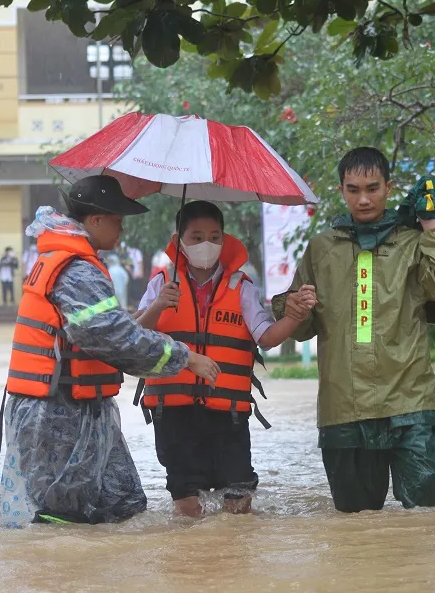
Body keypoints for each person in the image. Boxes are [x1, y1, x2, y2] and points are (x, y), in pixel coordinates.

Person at [0, 175, 220, 528]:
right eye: (118, 220)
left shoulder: (75, 262)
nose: (123, 230)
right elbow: (112, 336)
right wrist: (185, 357)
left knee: (121, 503)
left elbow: (109, 327)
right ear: (95, 220)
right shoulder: (78, 270)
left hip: (81, 406)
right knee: (64, 518)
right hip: (57, 415)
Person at [272, 147, 435, 513]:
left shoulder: (413, 242)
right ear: (341, 189)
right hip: (343, 409)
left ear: (389, 187)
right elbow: (302, 330)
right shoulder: (320, 249)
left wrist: (432, 226)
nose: (363, 199)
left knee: (428, 522)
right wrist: (295, 309)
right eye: (353, 189)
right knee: (355, 530)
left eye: (373, 188)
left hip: (410, 403)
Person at [134, 200, 315, 517]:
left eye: (215, 237)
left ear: (224, 240)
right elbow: (135, 336)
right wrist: (158, 306)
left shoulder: (241, 287)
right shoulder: (161, 284)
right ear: (178, 242)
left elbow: (267, 338)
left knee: (239, 497)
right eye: (196, 237)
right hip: (173, 415)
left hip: (227, 415)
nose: (207, 244)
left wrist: (295, 315)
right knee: (186, 499)